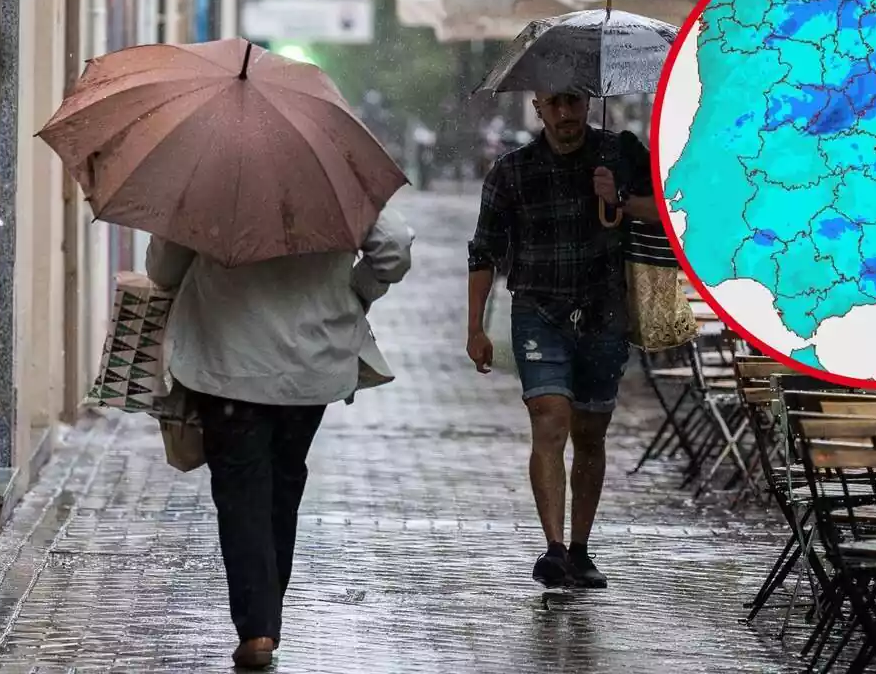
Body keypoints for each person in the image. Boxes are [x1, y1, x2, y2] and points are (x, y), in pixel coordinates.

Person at [146, 207, 414, 669]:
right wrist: (357, 288)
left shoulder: (212, 179)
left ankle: (258, 627)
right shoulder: (330, 175)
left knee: (242, 490)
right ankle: (264, 618)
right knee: (283, 482)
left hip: (227, 362)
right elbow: (392, 249)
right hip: (310, 363)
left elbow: (163, 269)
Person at [465, 90, 660, 589]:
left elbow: (670, 213)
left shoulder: (620, 154)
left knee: (590, 434)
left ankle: (580, 548)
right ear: (538, 108)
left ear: (586, 102)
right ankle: (553, 550)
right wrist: (476, 327)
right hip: (538, 312)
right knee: (549, 420)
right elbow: (483, 251)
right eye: (554, 105)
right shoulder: (512, 170)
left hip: (604, 314)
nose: (566, 115)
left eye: (573, 102)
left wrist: (619, 198)